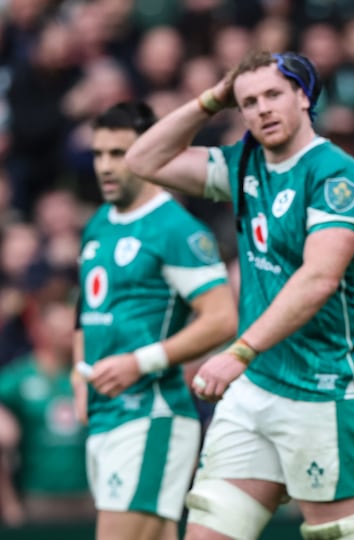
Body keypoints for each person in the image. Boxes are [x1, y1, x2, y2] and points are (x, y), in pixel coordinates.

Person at [125, 51, 354, 540]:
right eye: (247, 101)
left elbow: (318, 279)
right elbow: (143, 160)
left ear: (303, 97)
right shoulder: (242, 163)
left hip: (324, 392)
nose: (261, 109)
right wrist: (209, 100)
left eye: (272, 95)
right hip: (255, 389)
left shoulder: (335, 175)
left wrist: (239, 351)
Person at [74, 101, 237, 540]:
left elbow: (221, 319)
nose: (106, 166)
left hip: (152, 413)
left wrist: (137, 362)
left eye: (119, 153)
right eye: (99, 154)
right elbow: (86, 309)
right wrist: (78, 372)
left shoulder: (177, 230)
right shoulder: (98, 223)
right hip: (107, 413)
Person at [0, 300, 93, 525]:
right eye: (59, 330)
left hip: (90, 497)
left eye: (71, 330)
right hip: (38, 497)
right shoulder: (20, 376)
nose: (67, 335)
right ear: (40, 330)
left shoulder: (91, 375)